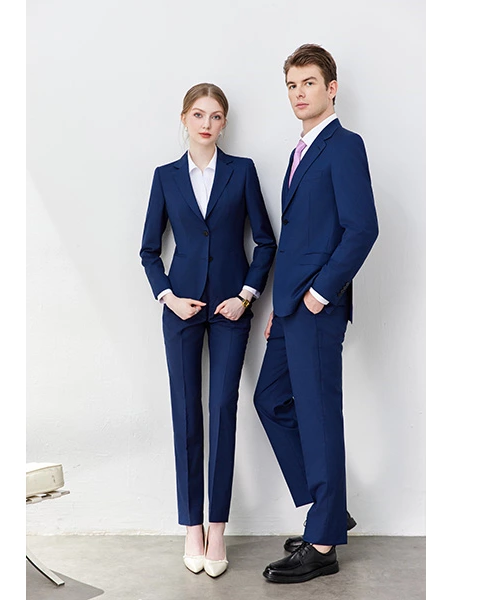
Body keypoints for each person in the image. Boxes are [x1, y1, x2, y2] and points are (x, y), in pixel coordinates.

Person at [253, 44, 379, 583]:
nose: (299, 93)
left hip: (317, 307)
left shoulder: (344, 145)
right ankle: (328, 511)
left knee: (319, 416)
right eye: (292, 84)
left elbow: (362, 228)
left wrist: (318, 295)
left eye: (308, 82)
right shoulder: (299, 151)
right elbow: (298, 238)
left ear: (331, 88)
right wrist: (282, 305)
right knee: (270, 400)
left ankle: (323, 544)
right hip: (290, 309)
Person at [140, 83, 276, 577]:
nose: (206, 124)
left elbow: (265, 242)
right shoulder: (166, 177)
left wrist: (246, 296)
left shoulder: (242, 171)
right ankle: (191, 526)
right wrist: (169, 297)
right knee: (185, 414)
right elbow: (148, 250)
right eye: (198, 114)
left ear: (224, 124)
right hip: (180, 310)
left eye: (216, 116)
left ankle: (217, 526)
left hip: (230, 311)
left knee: (221, 409)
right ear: (184, 118)